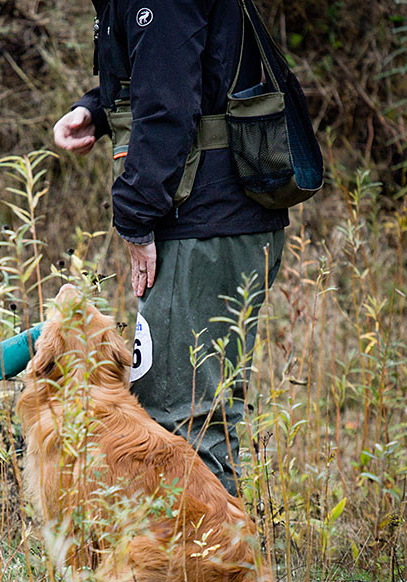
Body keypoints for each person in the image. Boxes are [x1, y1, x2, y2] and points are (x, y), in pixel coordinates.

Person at [53, 0, 288, 495]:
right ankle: (221, 565)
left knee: (183, 426)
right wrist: (96, 109)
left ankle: (210, 570)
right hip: (217, 219)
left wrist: (136, 218)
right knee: (202, 415)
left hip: (203, 221)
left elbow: (168, 106)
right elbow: (174, 67)